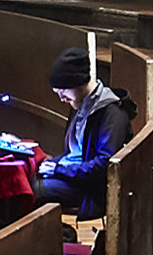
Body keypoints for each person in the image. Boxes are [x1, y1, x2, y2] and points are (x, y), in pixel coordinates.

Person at [38, 46, 140, 209]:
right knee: (27, 178)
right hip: (75, 176)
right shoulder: (80, 103)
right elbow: (76, 154)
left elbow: (103, 166)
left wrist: (59, 170)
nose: (62, 98)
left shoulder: (112, 113)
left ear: (77, 83)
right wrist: (53, 165)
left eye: (63, 91)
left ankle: (64, 235)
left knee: (33, 191)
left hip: (91, 190)